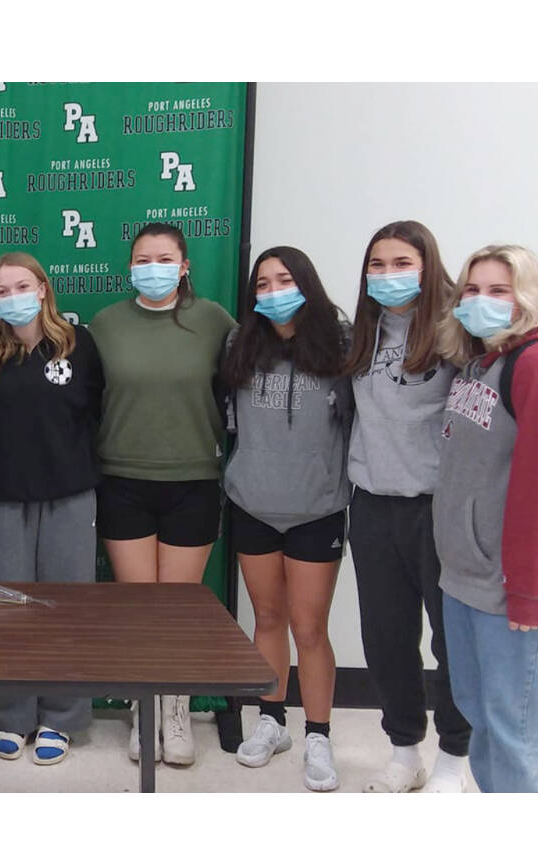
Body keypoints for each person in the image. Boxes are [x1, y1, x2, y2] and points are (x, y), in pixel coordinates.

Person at [88, 223, 236, 766]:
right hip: (123, 479)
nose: (153, 266)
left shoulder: (215, 320)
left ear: (184, 265)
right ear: (129, 266)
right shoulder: (106, 324)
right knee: (139, 605)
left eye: (165, 257)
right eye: (142, 258)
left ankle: (176, 710)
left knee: (176, 608)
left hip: (193, 480)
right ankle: (143, 712)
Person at [344, 220, 470, 792]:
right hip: (372, 505)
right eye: (378, 265)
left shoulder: (454, 335)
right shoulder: (361, 336)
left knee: (450, 641)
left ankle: (454, 757)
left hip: (436, 509)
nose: (388, 275)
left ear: (427, 268)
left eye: (402, 264)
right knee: (387, 636)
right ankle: (403, 751)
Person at [220, 246, 352, 791]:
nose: (274, 291)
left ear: (307, 284)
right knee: (267, 619)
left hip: (317, 507)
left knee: (310, 627)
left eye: (285, 280)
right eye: (263, 283)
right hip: (254, 502)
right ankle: (270, 721)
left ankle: (317, 733)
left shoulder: (342, 343)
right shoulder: (239, 343)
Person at [0, 251, 103, 766]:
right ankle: (15, 715)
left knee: (66, 610)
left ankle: (63, 718)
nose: (13, 298)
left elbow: (97, 412)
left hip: (69, 495)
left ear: (44, 289)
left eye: (21, 287)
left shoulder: (79, 344)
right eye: (2, 291)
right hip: (5, 498)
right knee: (8, 611)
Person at [432, 244, 538, 792]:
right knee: (478, 716)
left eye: (499, 290)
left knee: (512, 730)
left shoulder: (531, 363)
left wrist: (525, 591)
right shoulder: (478, 364)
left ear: (525, 297)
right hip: (462, 577)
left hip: (506, 591)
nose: (482, 301)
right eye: (472, 290)